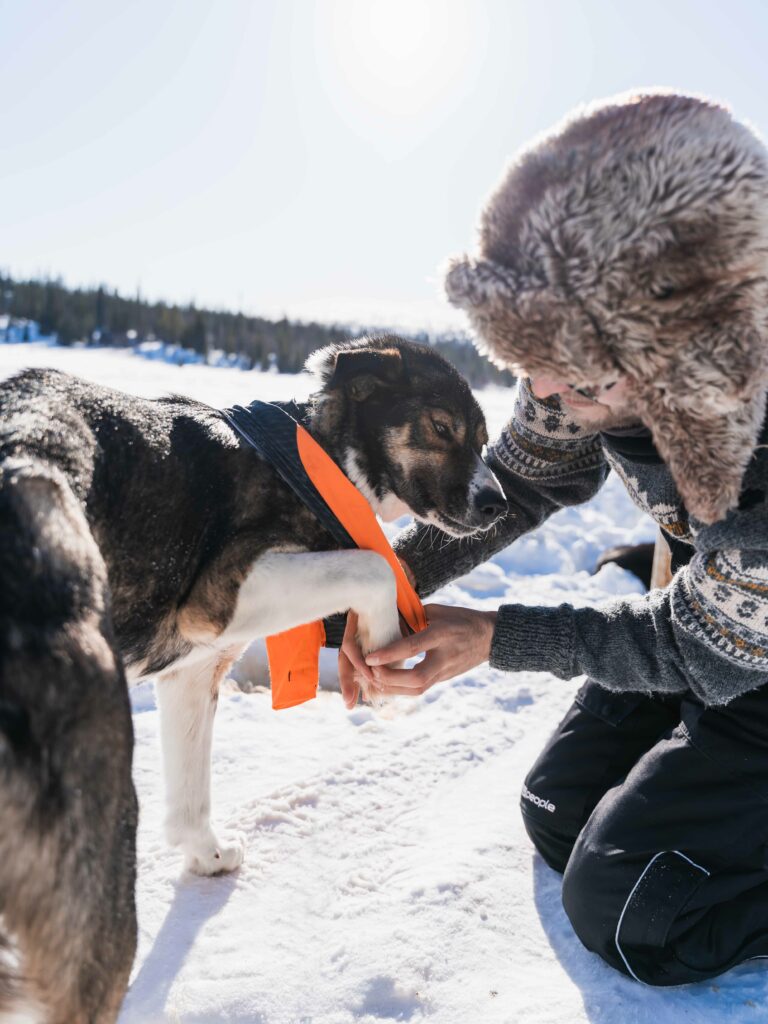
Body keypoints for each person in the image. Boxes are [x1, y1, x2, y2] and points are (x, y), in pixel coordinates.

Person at [338, 91, 768, 986]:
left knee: (636, 910)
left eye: (570, 378)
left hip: (742, 656)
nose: (540, 392)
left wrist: (494, 638)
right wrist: (378, 586)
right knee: (555, 809)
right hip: (716, 628)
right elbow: (520, 482)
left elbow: (700, 649)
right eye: (525, 362)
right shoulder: (579, 368)